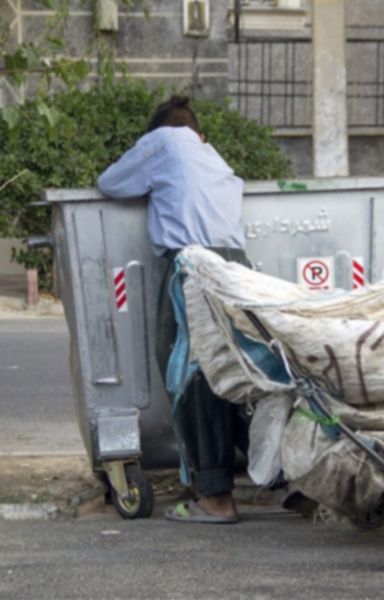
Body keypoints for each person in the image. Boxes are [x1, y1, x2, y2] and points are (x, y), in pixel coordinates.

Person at [98, 96, 251, 524]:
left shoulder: (163, 140)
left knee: (192, 375)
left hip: (194, 267)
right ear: (201, 133)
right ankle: (290, 478)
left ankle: (216, 498)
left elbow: (110, 182)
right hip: (239, 268)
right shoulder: (213, 155)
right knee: (245, 373)